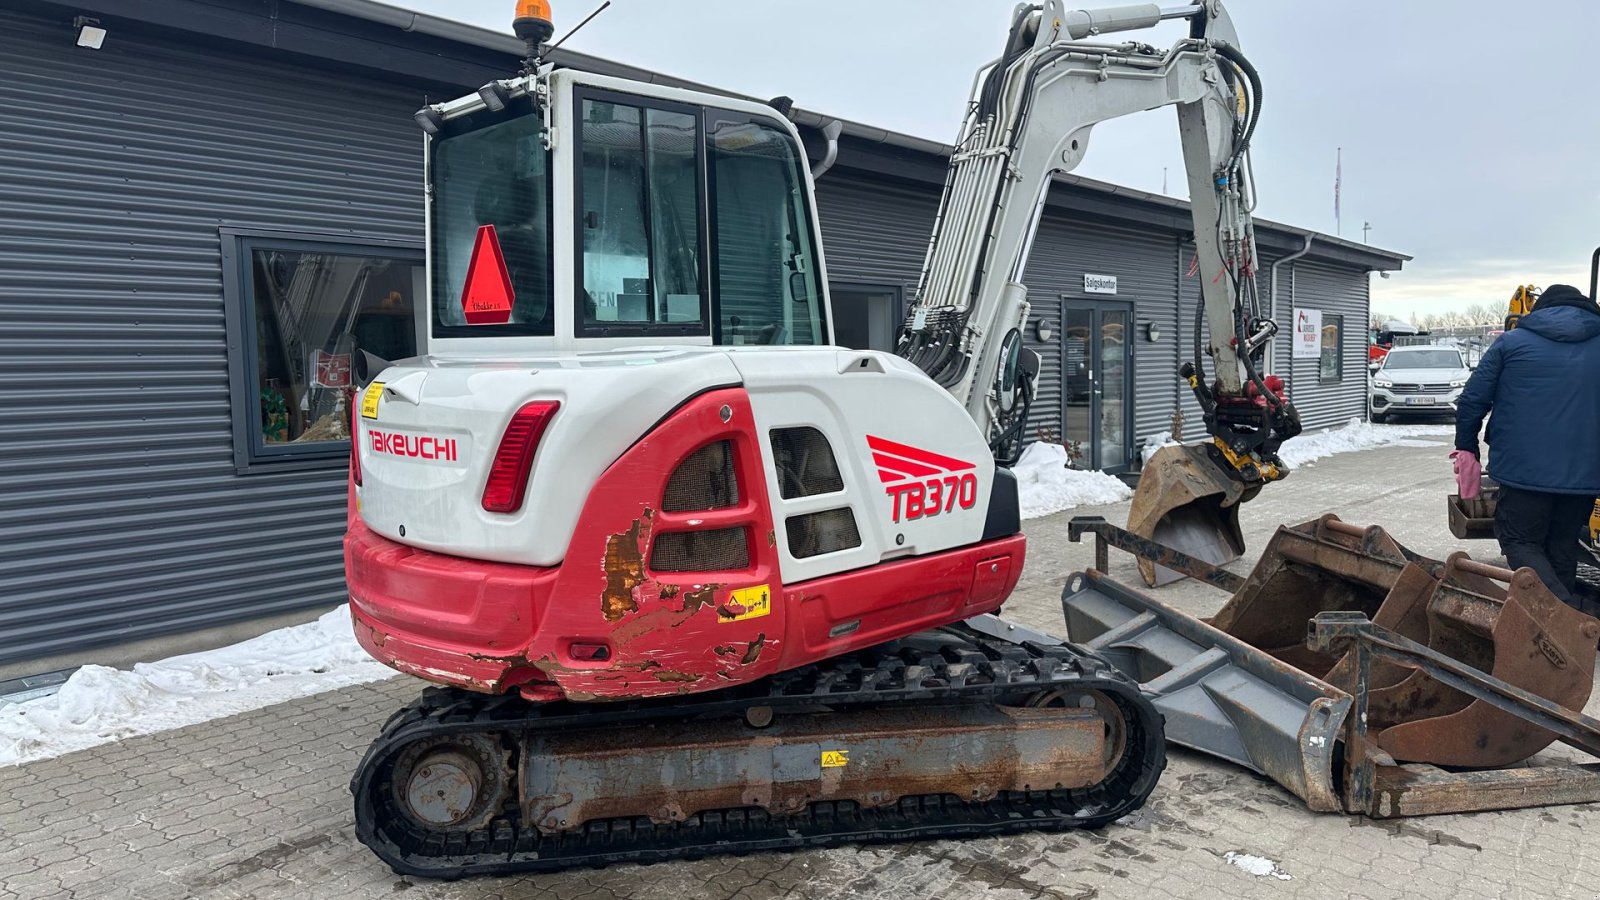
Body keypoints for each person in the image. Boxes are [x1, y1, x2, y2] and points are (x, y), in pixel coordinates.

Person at [1455, 284, 1600, 606]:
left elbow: (1472, 400)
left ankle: (1568, 615)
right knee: (1562, 545)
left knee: (1518, 539)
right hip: (1586, 473)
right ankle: (1560, 628)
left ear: (1540, 310)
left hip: (1524, 470)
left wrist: (1467, 448)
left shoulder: (1511, 343)